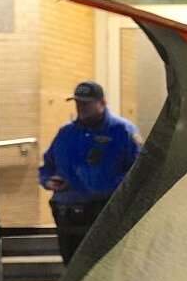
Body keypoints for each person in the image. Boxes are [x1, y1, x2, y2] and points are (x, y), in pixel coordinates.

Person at [39, 81, 143, 264]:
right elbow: (48, 164)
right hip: (67, 211)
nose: (81, 108)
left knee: (102, 266)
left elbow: (138, 171)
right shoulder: (66, 133)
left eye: (86, 103)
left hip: (103, 210)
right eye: (78, 103)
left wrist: (107, 187)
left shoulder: (123, 131)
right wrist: (48, 180)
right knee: (71, 265)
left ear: (101, 103)